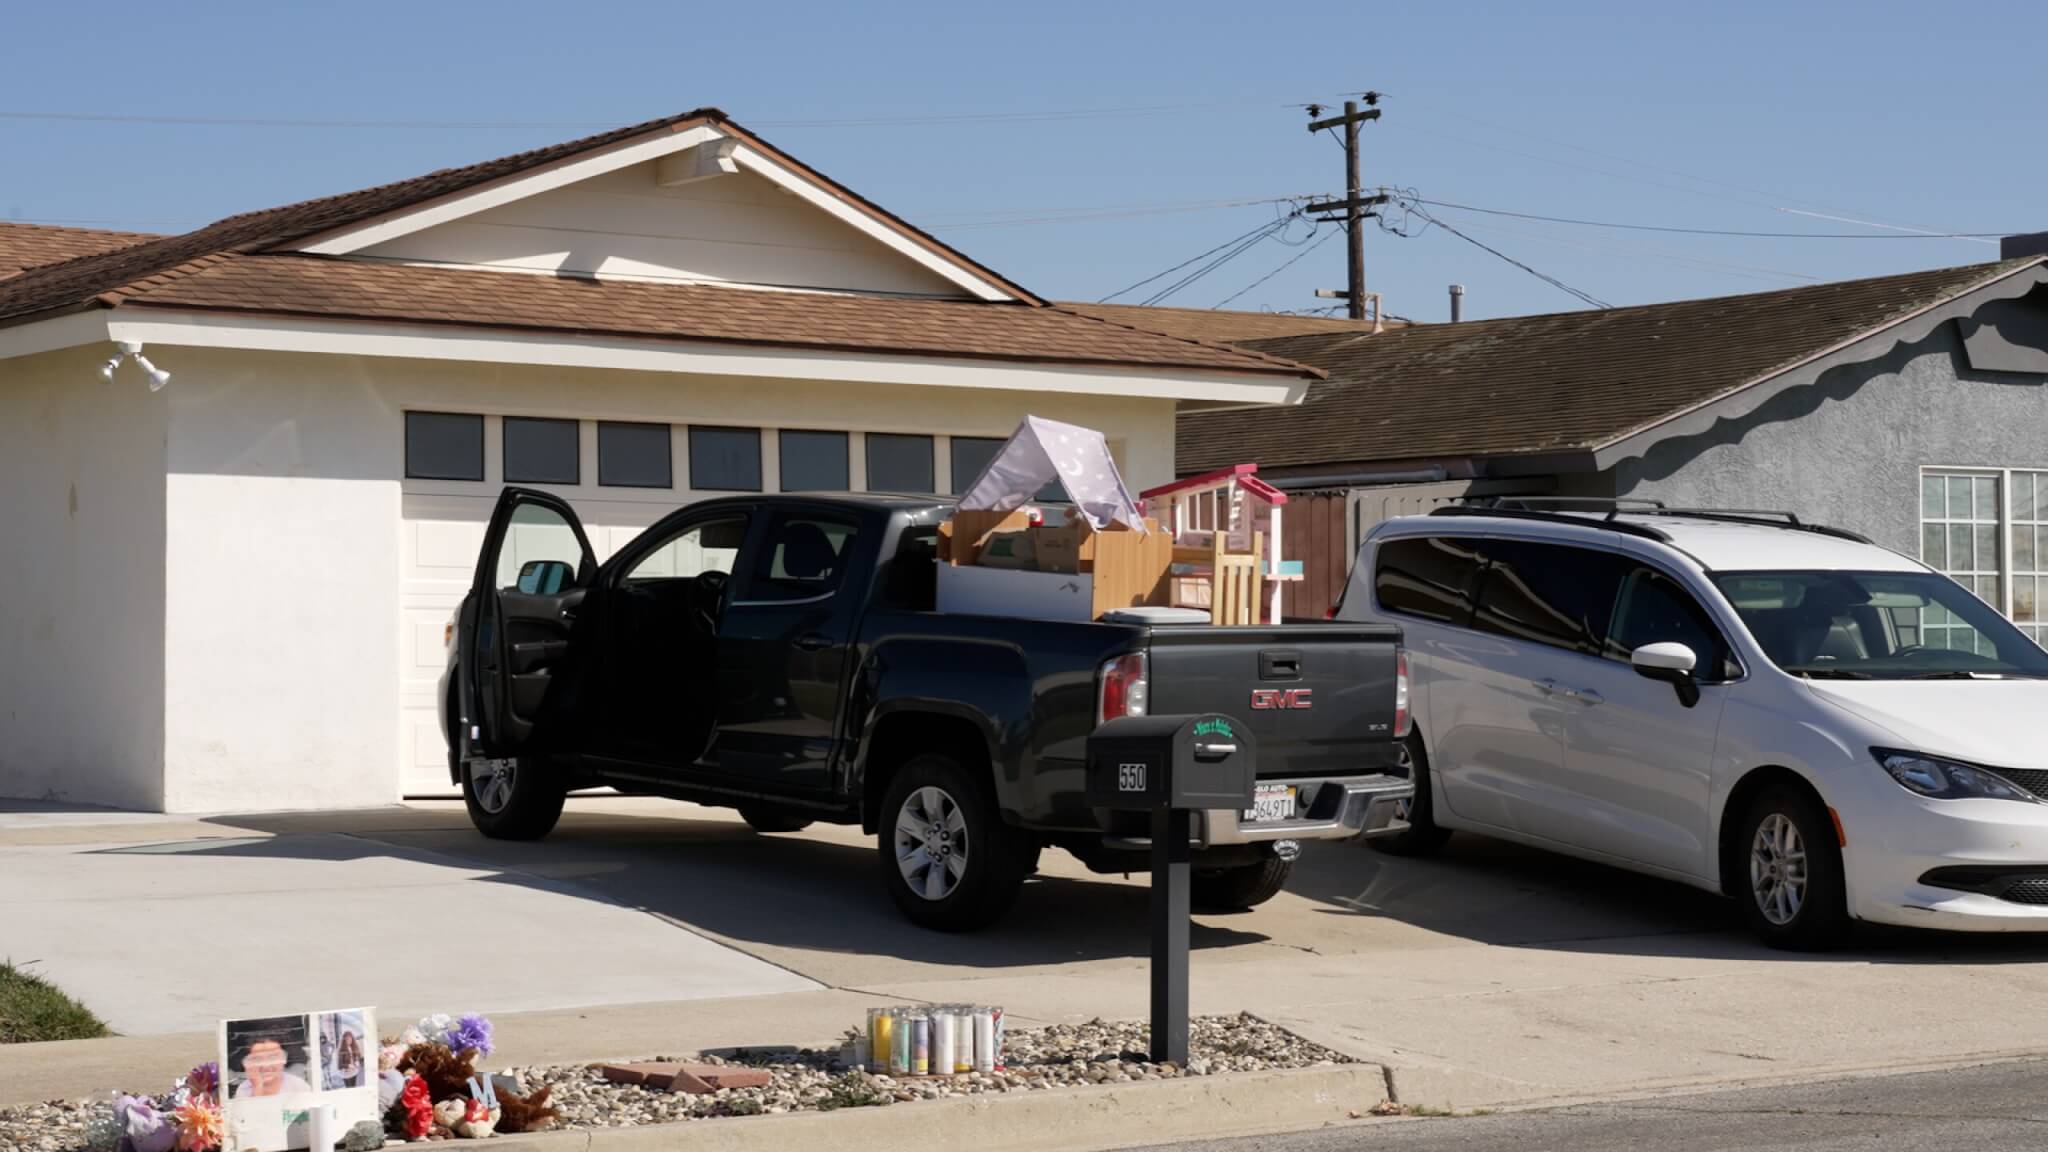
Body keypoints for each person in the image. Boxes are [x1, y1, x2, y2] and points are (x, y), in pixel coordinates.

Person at [234, 1038, 314, 1098]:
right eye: (258, 1059)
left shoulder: (299, 1086)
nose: (265, 1066)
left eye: (272, 1058)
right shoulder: (244, 1089)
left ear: (284, 1059)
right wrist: (257, 1087)